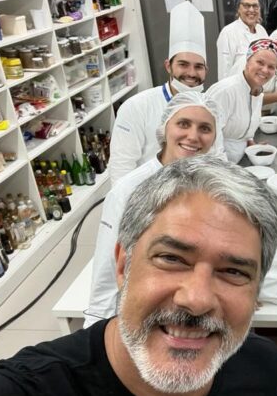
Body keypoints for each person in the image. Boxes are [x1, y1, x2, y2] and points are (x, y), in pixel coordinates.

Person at [0, 156, 277, 396]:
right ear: (122, 264)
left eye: (234, 272)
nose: (196, 299)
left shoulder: (261, 368)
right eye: (172, 258)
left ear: (257, 292)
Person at [86, 92, 221, 328]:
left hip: (198, 293)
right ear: (165, 128)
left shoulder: (213, 183)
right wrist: (96, 325)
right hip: (151, 301)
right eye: (183, 124)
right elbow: (107, 267)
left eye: (205, 128)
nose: (193, 136)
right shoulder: (129, 190)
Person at [108, 1, 208, 184]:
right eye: (183, 64)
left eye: (198, 66)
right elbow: (121, 169)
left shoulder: (208, 108)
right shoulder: (137, 107)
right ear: (168, 66)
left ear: (206, 71)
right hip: (149, 198)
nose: (192, 73)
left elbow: (216, 155)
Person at [206, 38, 277, 162]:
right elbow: (207, 137)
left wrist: (250, 142)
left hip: (238, 159)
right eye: (260, 62)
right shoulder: (225, 91)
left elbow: (244, 122)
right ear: (248, 61)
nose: (265, 70)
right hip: (216, 163)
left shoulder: (257, 91)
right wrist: (223, 171)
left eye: (271, 67)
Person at [216, 0, 269, 80]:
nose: (251, 10)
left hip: (260, 89)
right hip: (237, 90)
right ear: (238, 9)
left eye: (255, 6)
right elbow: (224, 72)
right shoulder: (228, 32)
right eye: (246, 6)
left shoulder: (262, 31)